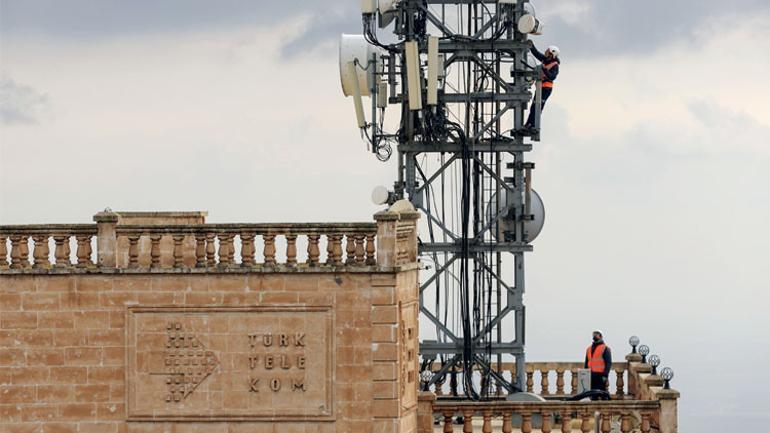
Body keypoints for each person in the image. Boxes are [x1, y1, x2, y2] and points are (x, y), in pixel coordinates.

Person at [524, 41, 560, 131]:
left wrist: (544, 69)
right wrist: (531, 45)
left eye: (548, 51)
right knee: (534, 107)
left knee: (538, 107)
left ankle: (532, 125)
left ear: (552, 54)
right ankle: (528, 124)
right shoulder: (545, 60)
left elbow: (552, 76)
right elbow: (536, 53)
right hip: (540, 87)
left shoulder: (555, 65)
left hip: (546, 89)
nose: (545, 52)